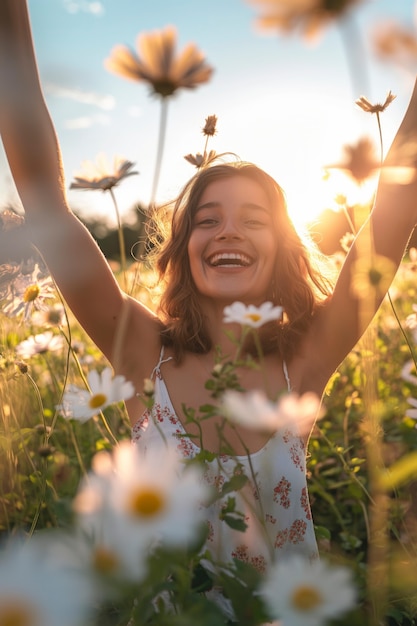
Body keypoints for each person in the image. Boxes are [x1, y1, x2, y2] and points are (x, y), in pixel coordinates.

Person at [1, 0, 417, 609]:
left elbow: (394, 212)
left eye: (254, 220)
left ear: (283, 251)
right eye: (207, 220)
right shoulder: (143, 355)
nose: (228, 232)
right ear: (181, 248)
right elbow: (47, 204)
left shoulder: (303, 361)